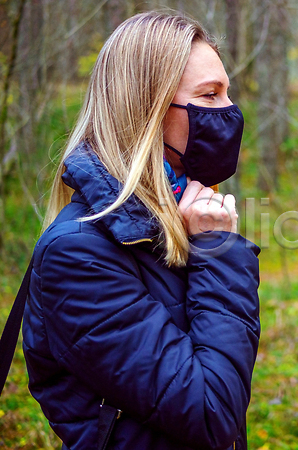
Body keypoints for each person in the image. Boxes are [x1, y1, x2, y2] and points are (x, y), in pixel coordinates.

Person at [21, 11, 260, 450]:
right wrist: (218, 252)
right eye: (209, 95)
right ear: (147, 108)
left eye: (228, 94)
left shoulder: (169, 218)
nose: (229, 111)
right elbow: (212, 413)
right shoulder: (78, 256)